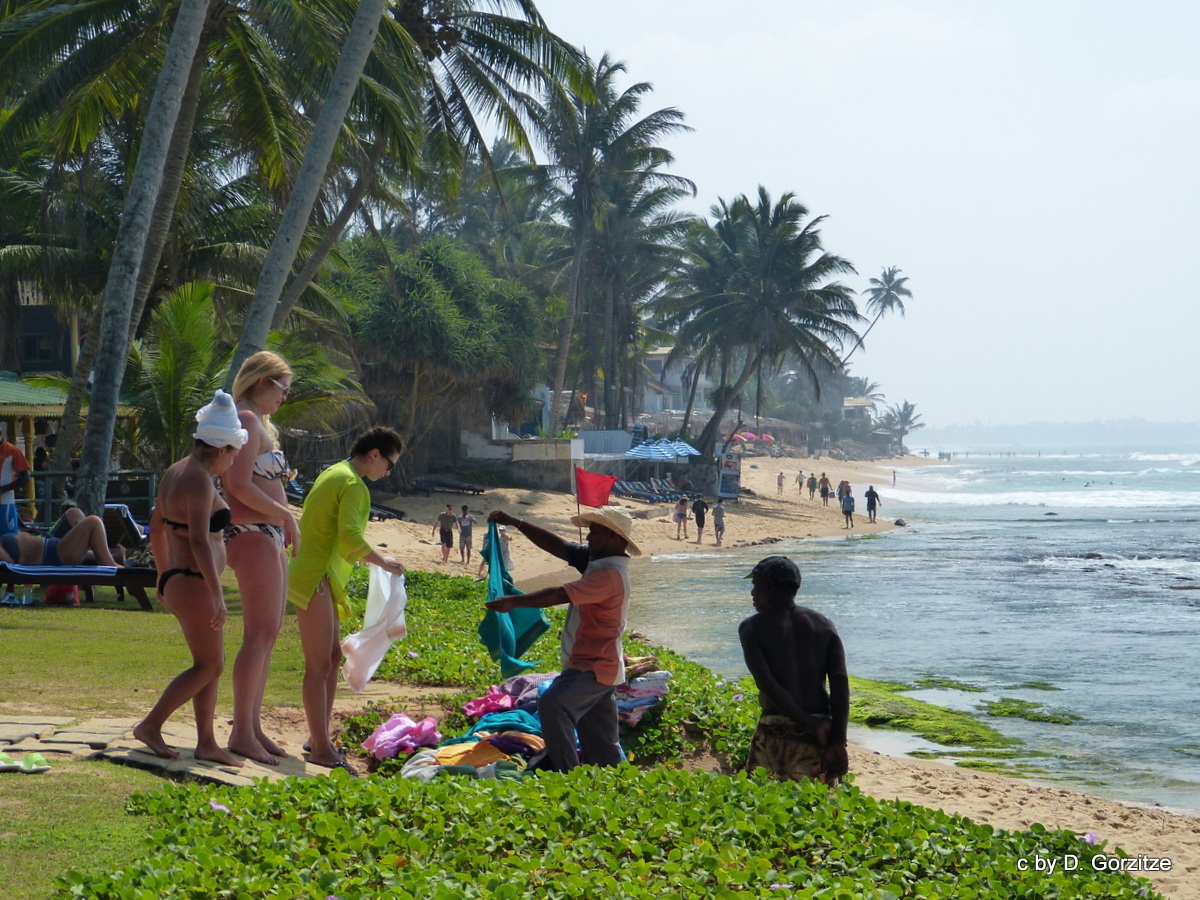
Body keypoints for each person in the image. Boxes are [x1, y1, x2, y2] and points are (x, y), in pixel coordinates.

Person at [133, 391, 248, 766]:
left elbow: (155, 527)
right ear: (221, 449)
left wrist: (162, 574)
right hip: (196, 582)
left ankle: (206, 743)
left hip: (180, 578)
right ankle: (150, 725)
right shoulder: (199, 480)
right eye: (233, 454)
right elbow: (199, 539)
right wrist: (217, 594)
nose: (233, 461)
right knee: (210, 666)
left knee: (208, 663)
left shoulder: (175, 470)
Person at [484, 506, 639, 771]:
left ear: (615, 538)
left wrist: (515, 602)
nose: (588, 538)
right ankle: (611, 777)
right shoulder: (597, 561)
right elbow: (558, 546)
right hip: (599, 665)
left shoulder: (609, 575)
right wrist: (517, 522)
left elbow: (560, 594)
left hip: (593, 665)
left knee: (554, 704)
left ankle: (565, 773)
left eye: (595, 532)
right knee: (601, 739)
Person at [288, 427, 406, 771]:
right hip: (314, 575)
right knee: (319, 663)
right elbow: (349, 536)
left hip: (313, 572)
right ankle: (320, 747)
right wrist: (384, 562)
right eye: (390, 464)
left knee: (331, 656)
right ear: (374, 455)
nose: (387, 472)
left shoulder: (336, 471)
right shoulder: (354, 484)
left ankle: (317, 737)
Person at [222, 351, 300, 765]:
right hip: (251, 532)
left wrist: (281, 518)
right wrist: (284, 513)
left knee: (267, 635)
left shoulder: (254, 421)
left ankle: (250, 727)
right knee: (259, 634)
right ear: (261, 382)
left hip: (264, 532)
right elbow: (236, 485)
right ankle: (241, 731)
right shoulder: (247, 420)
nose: (285, 397)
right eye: (282, 388)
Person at [738, 555, 848, 786]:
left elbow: (767, 683)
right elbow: (840, 683)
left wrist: (809, 724)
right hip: (820, 732)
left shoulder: (752, 628)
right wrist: (838, 740)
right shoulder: (823, 624)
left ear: (768, 585)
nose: (752, 593)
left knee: (766, 807)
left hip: (776, 730)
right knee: (818, 810)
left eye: (755, 585)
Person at [0, 510, 121, 568]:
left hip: (51, 544)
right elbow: (8, 565)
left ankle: (110, 556)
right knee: (93, 521)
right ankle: (109, 563)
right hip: (54, 555)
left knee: (74, 513)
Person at [0, 425, 30, 537]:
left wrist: (3, 489)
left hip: (5, 504)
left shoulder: (12, 451)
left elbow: (25, 477)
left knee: (8, 541)